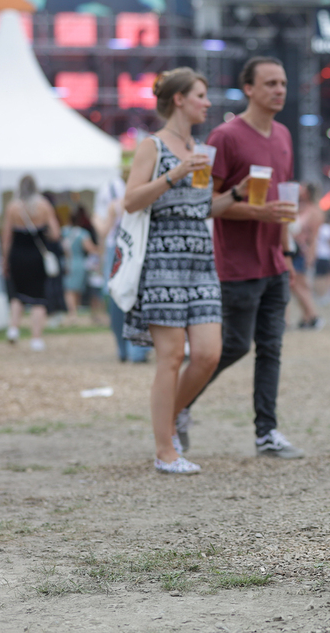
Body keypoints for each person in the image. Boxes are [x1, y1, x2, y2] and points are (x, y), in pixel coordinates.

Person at [183, 56, 304, 459]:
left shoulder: (284, 135)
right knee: (232, 346)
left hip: (274, 263)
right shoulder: (223, 136)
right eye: (270, 83)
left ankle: (266, 433)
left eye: (282, 82)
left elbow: (282, 199)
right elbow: (202, 201)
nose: (279, 89)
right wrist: (256, 212)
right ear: (248, 89)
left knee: (271, 348)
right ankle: (179, 402)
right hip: (236, 264)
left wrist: (286, 250)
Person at [123, 67, 238, 475]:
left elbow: (201, 208)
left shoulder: (199, 148)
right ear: (179, 99)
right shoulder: (152, 146)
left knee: (208, 354)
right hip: (162, 260)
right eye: (200, 95)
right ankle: (164, 449)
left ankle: (168, 420)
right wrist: (173, 174)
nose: (207, 103)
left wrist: (236, 194)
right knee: (170, 357)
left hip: (200, 259)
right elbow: (131, 200)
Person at [94, 171, 151, 363]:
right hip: (133, 248)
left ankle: (127, 349)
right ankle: (135, 349)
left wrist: (98, 219)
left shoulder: (115, 200)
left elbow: (103, 230)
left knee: (122, 298)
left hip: (122, 249)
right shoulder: (144, 196)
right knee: (132, 297)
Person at [1, 175, 61, 352]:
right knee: (39, 297)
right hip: (37, 256)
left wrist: (4, 260)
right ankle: (36, 338)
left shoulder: (12, 207)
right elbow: (56, 233)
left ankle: (13, 328)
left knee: (18, 294)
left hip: (18, 255)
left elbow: (6, 237)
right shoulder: (44, 205)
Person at [288, 182, 325, 330]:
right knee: (298, 286)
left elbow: (314, 237)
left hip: (302, 253)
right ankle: (307, 316)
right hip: (294, 251)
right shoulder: (300, 208)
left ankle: (313, 316)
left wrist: (310, 256)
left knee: (298, 285)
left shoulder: (314, 212)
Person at [61, 211, 95, 322]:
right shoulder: (82, 233)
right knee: (75, 289)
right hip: (79, 262)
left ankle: (72, 312)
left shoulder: (64, 232)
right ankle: (74, 311)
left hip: (67, 262)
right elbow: (90, 248)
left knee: (69, 289)